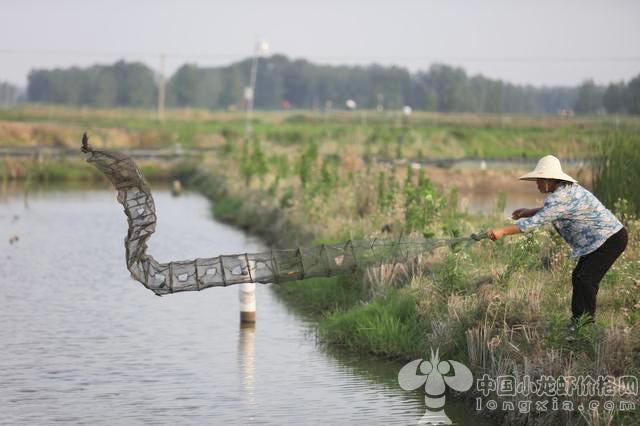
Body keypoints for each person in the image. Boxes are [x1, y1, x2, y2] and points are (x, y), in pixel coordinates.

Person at [487, 155, 627, 328]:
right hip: (604, 238)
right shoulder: (566, 191)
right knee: (579, 277)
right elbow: (555, 211)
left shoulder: (559, 198)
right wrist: (529, 211)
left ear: (549, 180)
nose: (537, 183)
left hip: (609, 239)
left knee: (586, 279)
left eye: (539, 179)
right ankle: (579, 323)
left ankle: (584, 327)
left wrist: (503, 231)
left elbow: (534, 223)